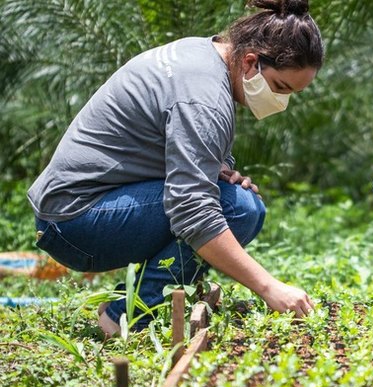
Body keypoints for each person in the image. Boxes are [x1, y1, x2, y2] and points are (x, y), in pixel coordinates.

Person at [27, 0, 324, 336]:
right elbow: (192, 209)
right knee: (239, 209)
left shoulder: (202, 55)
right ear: (251, 61)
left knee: (234, 200)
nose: (281, 101)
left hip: (72, 213)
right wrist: (269, 287)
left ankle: (129, 301)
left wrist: (215, 169)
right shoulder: (204, 97)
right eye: (280, 87)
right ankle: (125, 317)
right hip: (75, 222)